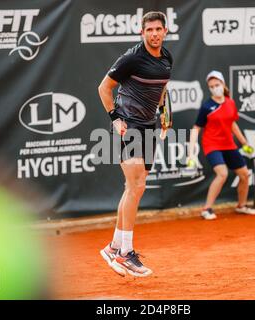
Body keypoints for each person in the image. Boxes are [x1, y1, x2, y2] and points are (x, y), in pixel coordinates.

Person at [97, 11, 172, 277]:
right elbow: (103, 88)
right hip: (127, 125)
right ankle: (125, 254)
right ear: (142, 32)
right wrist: (115, 119)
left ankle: (113, 247)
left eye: (158, 29)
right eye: (149, 29)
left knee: (134, 188)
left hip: (149, 126)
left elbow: (161, 89)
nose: (154, 33)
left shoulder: (166, 59)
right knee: (136, 184)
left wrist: (163, 112)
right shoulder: (131, 58)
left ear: (165, 31)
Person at [187, 70, 255, 220]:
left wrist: (244, 143)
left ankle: (241, 206)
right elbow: (196, 128)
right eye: (211, 86)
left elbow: (232, 124)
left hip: (229, 144)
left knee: (245, 174)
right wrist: (190, 153)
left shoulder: (230, 103)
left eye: (217, 85)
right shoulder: (207, 107)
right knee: (222, 173)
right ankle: (206, 209)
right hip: (212, 144)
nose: (214, 88)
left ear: (223, 84)